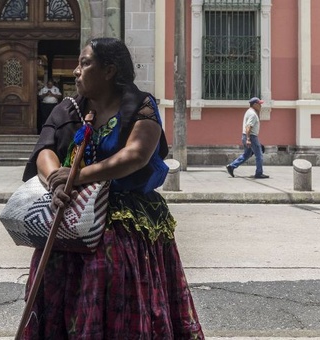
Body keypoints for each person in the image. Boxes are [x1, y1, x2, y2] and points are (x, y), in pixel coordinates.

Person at [21, 37, 204, 339]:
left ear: (108, 70)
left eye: (85, 63)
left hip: (124, 218)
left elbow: (135, 155)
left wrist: (76, 177)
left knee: (114, 281)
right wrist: (56, 179)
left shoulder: (141, 105)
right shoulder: (69, 108)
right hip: (70, 217)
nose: (77, 71)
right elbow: (46, 148)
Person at [226, 97, 269, 179]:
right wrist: (249, 139)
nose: (261, 106)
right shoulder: (252, 114)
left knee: (247, 154)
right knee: (259, 155)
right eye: (259, 104)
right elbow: (248, 127)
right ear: (255, 104)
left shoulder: (249, 112)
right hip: (251, 137)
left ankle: (231, 166)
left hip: (245, 136)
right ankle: (259, 173)